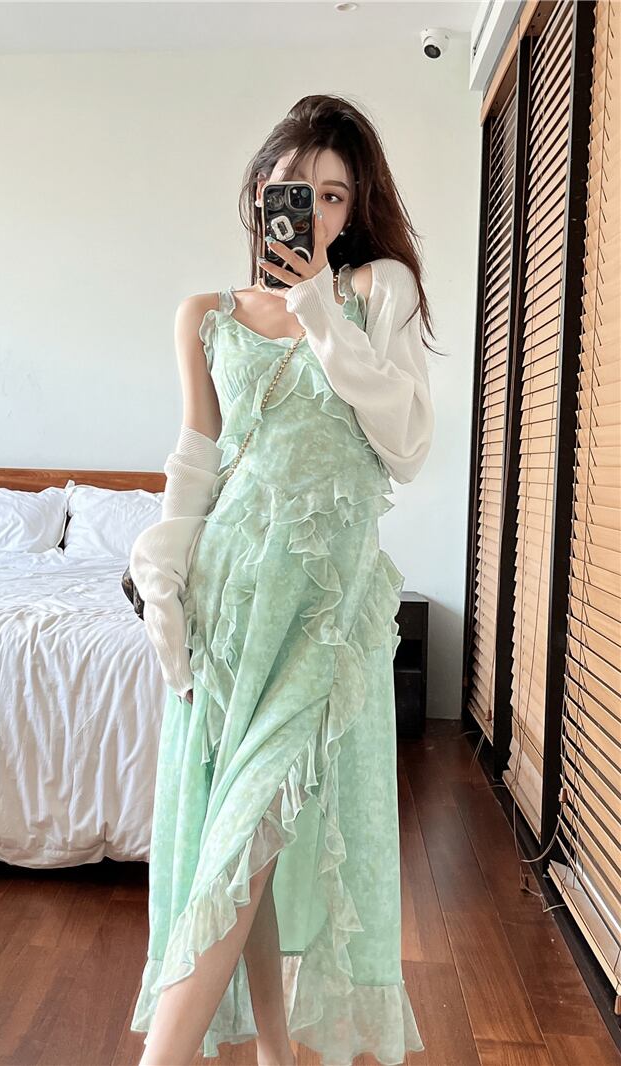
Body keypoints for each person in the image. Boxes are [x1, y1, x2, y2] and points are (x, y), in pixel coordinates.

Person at [128, 93, 438, 1066]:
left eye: (334, 193)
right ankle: (270, 1050)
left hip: (323, 607)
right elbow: (197, 461)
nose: (312, 205)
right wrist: (161, 567)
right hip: (227, 603)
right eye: (294, 185)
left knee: (252, 825)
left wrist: (316, 311)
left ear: (354, 209)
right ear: (261, 187)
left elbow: (404, 443)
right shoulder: (205, 315)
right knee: (239, 831)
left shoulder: (374, 292)